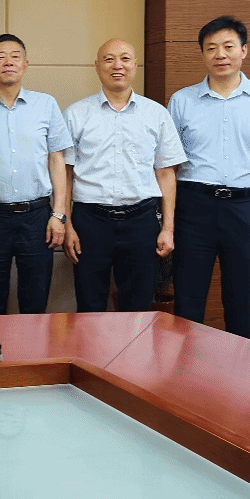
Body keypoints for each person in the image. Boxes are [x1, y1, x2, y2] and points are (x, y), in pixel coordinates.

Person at [169, 16, 250, 339]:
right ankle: (184, 369)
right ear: (202, 54)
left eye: (228, 46)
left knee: (241, 301)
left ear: (244, 51)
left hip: (245, 208)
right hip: (193, 208)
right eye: (211, 48)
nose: (220, 54)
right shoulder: (181, 101)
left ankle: (240, 370)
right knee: (188, 301)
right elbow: (167, 163)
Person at [63, 39, 186, 312]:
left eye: (125, 59)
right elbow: (65, 174)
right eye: (109, 59)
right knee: (90, 305)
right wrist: (67, 224)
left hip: (141, 222)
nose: (117, 65)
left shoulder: (156, 114)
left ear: (135, 65)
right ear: (97, 66)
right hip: (90, 222)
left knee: (138, 308)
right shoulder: (75, 115)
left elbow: (166, 173)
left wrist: (168, 228)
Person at [0, 34, 72, 315]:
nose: (8, 62)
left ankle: (33, 345)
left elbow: (57, 160)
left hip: (37, 217)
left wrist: (59, 215)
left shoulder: (46, 105)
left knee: (35, 300)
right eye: (0, 57)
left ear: (25, 64)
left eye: (15, 56)